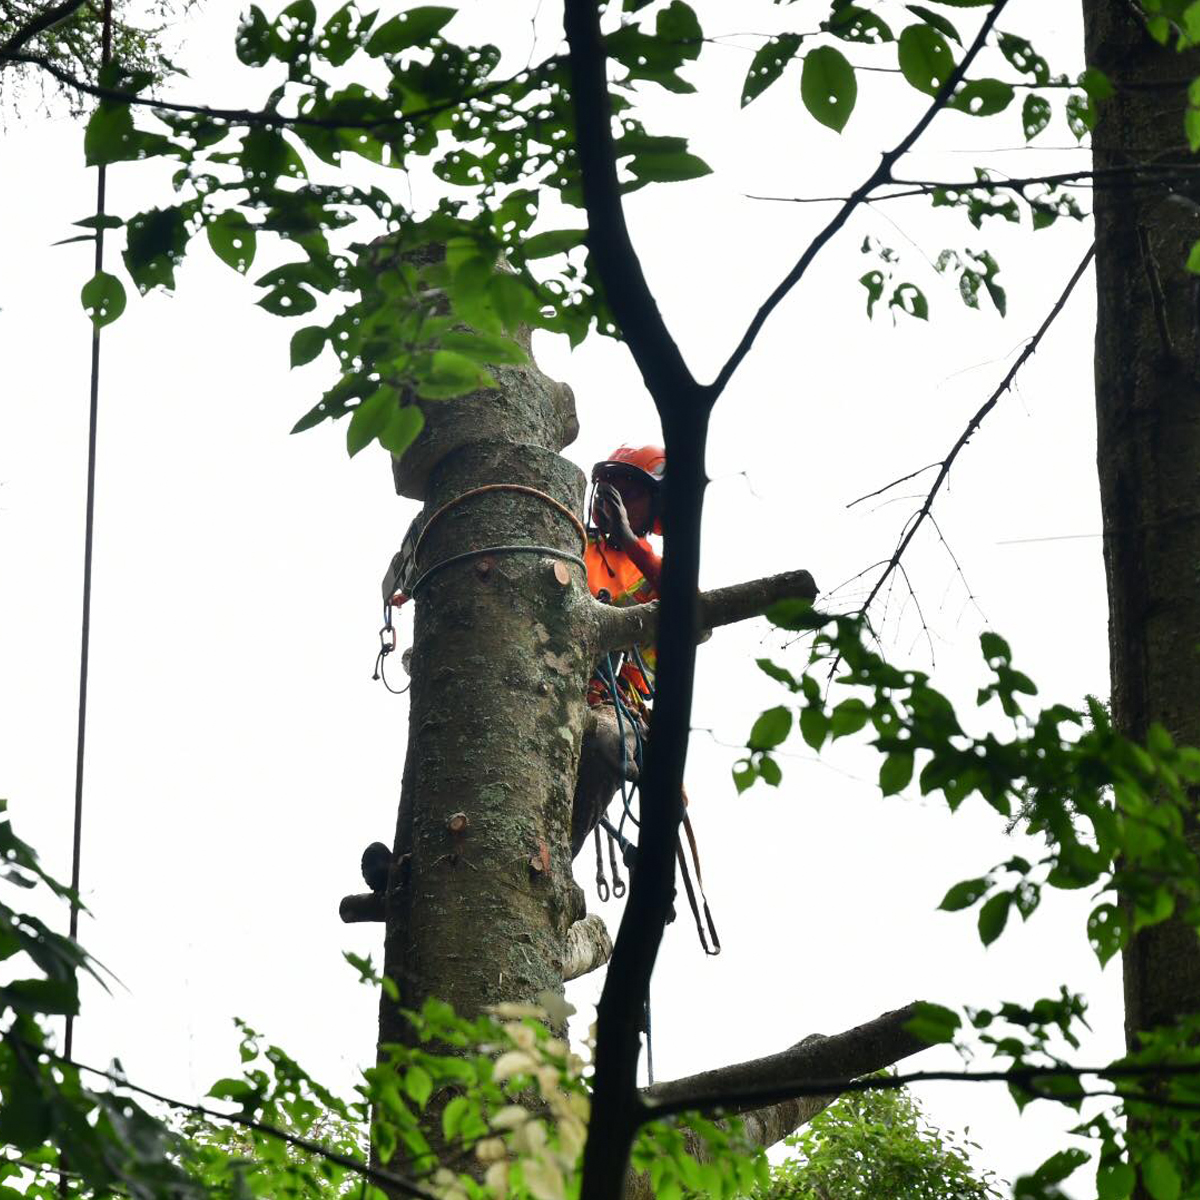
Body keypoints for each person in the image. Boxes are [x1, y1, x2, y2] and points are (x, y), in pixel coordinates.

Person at [584, 444, 666, 709]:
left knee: (608, 745)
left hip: (613, 702)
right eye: (609, 491)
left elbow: (699, 621)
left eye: (627, 494)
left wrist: (629, 540)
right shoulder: (575, 540)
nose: (613, 503)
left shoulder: (653, 574)